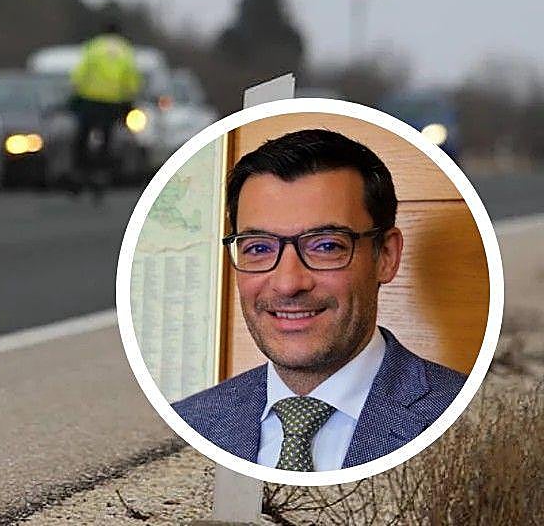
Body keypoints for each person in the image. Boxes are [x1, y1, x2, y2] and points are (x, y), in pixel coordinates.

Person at [172, 129, 467, 470]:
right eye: (259, 248)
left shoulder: (463, 415)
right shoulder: (190, 423)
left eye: (326, 246)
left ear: (385, 256)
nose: (287, 284)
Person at [68, 23, 140, 197]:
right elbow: (131, 77)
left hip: (89, 99)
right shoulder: (125, 50)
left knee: (83, 136)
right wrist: (129, 98)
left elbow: (79, 72)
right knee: (107, 138)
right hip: (112, 101)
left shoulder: (93, 47)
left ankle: (80, 173)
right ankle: (100, 175)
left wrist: (75, 92)